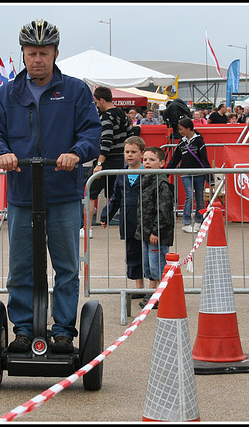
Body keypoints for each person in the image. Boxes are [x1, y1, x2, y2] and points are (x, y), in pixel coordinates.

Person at [0, 19, 101, 354]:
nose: (38, 59)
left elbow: (91, 133)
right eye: (32, 52)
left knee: (65, 266)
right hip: (22, 192)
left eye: (44, 53)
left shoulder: (76, 91)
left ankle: (63, 330)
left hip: (62, 192)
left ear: (55, 54)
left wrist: (76, 154)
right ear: (23, 55)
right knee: (21, 266)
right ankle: (22, 329)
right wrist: (2, 153)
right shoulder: (7, 94)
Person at [100, 136, 146, 297]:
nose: (130, 155)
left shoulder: (148, 172)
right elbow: (116, 197)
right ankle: (139, 287)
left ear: (142, 153)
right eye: (127, 152)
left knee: (148, 254)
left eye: (134, 152)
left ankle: (153, 288)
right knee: (132, 254)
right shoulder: (121, 173)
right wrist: (107, 214)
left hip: (145, 220)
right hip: (128, 220)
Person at [135, 146, 174, 309]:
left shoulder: (161, 182)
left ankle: (158, 295)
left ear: (162, 163)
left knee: (157, 264)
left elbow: (163, 209)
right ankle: (152, 293)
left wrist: (156, 230)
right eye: (145, 160)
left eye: (152, 160)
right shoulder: (146, 179)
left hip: (156, 233)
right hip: (145, 231)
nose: (147, 163)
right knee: (149, 265)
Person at [88, 86, 131, 230]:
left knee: (90, 192)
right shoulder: (123, 114)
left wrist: (99, 163)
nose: (96, 105)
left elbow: (106, 141)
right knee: (112, 193)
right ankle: (107, 220)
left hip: (106, 160)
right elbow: (130, 135)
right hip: (119, 159)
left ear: (102, 100)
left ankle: (87, 227)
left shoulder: (106, 117)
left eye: (96, 102)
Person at [166, 117, 212, 233]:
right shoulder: (181, 143)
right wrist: (165, 174)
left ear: (189, 129)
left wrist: (209, 177)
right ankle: (186, 222)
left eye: (181, 129)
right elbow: (174, 160)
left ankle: (198, 220)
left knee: (200, 197)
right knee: (190, 196)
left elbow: (204, 160)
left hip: (199, 174)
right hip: (185, 173)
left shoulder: (199, 141)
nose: (179, 131)